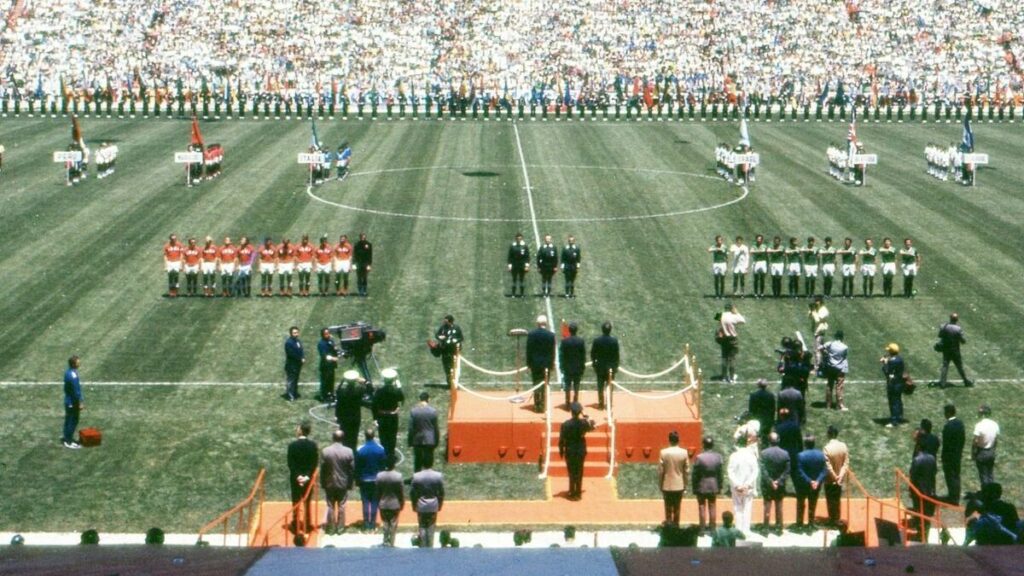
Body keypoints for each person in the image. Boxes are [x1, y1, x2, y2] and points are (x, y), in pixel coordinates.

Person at [319, 429, 354, 535]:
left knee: (330, 505)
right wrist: (350, 483)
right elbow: (352, 469)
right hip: (343, 482)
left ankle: (330, 528)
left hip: (329, 482)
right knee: (342, 505)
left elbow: (323, 470)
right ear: (343, 438)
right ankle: (340, 528)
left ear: (333, 438)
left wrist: (323, 483)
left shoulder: (325, 451)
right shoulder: (348, 451)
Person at [287, 422, 319, 533]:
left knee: (295, 501)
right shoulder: (313, 446)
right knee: (307, 502)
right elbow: (314, 464)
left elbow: (291, 464)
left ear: (300, 430)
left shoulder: (292, 446)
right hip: (307, 479)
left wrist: (298, 476)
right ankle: (308, 524)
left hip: (295, 479)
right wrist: (307, 477)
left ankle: (295, 524)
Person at [559, 402, 595, 501]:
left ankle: (571, 492)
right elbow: (593, 425)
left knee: (571, 472)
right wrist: (586, 416)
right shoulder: (583, 423)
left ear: (571, 412)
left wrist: (561, 451)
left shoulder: (565, 424)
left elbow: (561, 440)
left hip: (570, 450)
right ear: (579, 412)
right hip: (580, 450)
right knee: (579, 471)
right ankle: (578, 493)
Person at [355, 428, 386, 531]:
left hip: (364, 479)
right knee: (374, 502)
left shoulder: (360, 450)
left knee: (365, 502)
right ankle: (372, 524)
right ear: (374, 436)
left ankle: (365, 524)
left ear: (365, 436)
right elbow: (383, 465)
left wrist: (357, 480)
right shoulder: (380, 449)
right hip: (376, 480)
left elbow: (358, 467)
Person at [727, 436, 759, 533]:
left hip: (737, 488)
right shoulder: (752, 456)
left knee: (737, 509)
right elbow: (755, 471)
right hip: (748, 488)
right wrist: (747, 484)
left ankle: (738, 530)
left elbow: (730, 471)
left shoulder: (733, 456)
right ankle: (746, 531)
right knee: (747, 509)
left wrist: (737, 485)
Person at [692, 436, 724, 532]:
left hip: (702, 485)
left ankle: (702, 529)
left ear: (703, 445)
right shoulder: (718, 457)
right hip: (713, 485)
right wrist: (720, 485)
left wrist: (694, 487)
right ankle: (713, 529)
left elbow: (695, 475)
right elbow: (720, 474)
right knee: (712, 506)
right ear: (712, 445)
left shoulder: (699, 457)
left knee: (702, 507)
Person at [410, 459, 445, 547]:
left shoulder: (416, 476)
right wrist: (440, 504)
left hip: (421, 505)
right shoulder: (438, 476)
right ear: (432, 463)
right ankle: (430, 545)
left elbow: (413, 493)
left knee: (422, 526)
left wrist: (414, 505)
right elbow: (441, 492)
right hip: (433, 505)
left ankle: (423, 545)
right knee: (431, 526)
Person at [372, 368, 405, 460]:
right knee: (392, 436)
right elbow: (401, 398)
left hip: (382, 416)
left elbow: (374, 405)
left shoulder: (379, 391)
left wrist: (375, 418)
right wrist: (399, 387)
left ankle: (385, 454)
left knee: (383, 436)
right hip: (393, 416)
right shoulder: (396, 391)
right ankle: (391, 454)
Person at [908, 435, 938, 538]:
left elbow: (913, 475)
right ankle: (926, 533)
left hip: (919, 490)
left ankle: (920, 535)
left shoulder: (917, 459)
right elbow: (934, 472)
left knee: (919, 511)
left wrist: (910, 489)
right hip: (930, 490)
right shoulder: (932, 458)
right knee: (927, 515)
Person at [760, 432, 790, 532]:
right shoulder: (785, 454)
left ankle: (765, 528)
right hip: (780, 485)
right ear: (778, 440)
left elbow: (763, 470)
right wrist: (778, 481)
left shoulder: (764, 453)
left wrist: (770, 482)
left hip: (767, 485)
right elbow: (787, 470)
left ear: (769, 441)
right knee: (779, 506)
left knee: (767, 506)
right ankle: (779, 528)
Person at [795, 436, 827, 530]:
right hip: (816, 485)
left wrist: (809, 481)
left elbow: (800, 471)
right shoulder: (821, 455)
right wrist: (817, 481)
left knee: (801, 504)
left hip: (803, 484)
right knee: (812, 504)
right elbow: (824, 470)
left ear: (805, 444)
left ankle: (800, 524)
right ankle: (811, 524)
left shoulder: (800, 455)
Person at [658, 431, 689, 526]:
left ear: (669, 440)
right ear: (678, 440)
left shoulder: (663, 452)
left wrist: (660, 484)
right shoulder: (684, 452)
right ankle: (676, 526)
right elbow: (686, 471)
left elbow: (660, 471)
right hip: (679, 485)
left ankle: (668, 527)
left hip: (667, 484)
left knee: (668, 508)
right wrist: (685, 484)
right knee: (677, 508)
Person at [527, 314, 556, 412]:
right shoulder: (551, 335)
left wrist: (529, 363)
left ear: (537, 323)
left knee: (535, 383)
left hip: (535, 363)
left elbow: (529, 350)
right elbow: (552, 351)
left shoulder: (531, 334)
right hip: (546, 364)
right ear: (546, 323)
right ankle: (543, 405)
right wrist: (552, 364)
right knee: (545, 384)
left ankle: (537, 405)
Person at [823, 425, 850, 527]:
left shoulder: (827, 448)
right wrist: (840, 476)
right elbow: (846, 463)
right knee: (837, 499)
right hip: (839, 479)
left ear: (828, 434)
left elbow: (828, 466)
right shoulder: (843, 446)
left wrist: (835, 477)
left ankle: (832, 519)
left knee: (830, 499)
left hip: (830, 479)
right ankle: (836, 519)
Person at [937, 313, 973, 388]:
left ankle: (942, 383)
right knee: (959, 366)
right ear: (957, 320)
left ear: (950, 318)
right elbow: (963, 341)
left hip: (946, 349)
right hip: (955, 350)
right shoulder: (958, 329)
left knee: (945, 366)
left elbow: (940, 335)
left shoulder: (944, 326)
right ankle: (965, 381)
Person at [376, 455, 404, 547]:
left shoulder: (379, 476)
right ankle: (391, 542)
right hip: (394, 504)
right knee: (393, 524)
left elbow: (378, 491)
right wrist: (402, 502)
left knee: (385, 523)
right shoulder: (398, 476)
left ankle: (385, 540)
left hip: (383, 503)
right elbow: (400, 492)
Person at [590, 320, 620, 409]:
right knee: (610, 386)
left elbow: (592, 354)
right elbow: (616, 355)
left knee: (600, 387)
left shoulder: (597, 340)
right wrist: (615, 367)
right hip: (610, 368)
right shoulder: (614, 341)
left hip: (600, 367)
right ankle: (609, 404)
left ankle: (601, 404)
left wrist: (595, 364)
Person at [408, 391, 439, 472]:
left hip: (417, 439)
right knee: (429, 460)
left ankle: (417, 478)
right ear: (428, 399)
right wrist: (437, 440)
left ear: (419, 399)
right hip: (429, 439)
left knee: (417, 460)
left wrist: (410, 440)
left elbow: (411, 428)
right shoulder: (433, 411)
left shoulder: (414, 411)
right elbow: (435, 428)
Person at [941, 404, 966, 504]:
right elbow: (963, 439)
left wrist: (944, 456)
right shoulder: (960, 423)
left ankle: (952, 497)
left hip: (949, 456)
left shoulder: (948, 426)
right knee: (956, 475)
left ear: (947, 413)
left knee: (950, 476)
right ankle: (956, 495)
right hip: (957, 455)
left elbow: (946, 443)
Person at [819, 331, 849, 411]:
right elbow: (844, 357)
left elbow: (820, 348)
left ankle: (828, 404)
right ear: (842, 337)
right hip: (840, 369)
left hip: (830, 367)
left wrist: (826, 354)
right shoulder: (844, 347)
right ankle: (839, 405)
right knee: (839, 387)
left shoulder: (830, 343)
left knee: (829, 385)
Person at [716, 302, 745, 383]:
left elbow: (716, 322)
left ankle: (724, 376)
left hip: (723, 339)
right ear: (731, 308)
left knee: (724, 357)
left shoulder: (719, 314)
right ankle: (732, 377)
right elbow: (743, 321)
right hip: (732, 339)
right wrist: (737, 313)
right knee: (732, 359)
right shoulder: (734, 316)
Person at [334, 371, 364, 451]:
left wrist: (343, 381)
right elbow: (368, 389)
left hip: (344, 417)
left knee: (345, 436)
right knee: (354, 436)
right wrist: (362, 382)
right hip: (355, 417)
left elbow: (338, 404)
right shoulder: (358, 391)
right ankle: (352, 451)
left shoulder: (341, 392)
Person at [559, 322, 586, 407]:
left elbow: (561, 355)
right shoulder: (581, 341)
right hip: (577, 367)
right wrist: (582, 367)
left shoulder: (564, 341)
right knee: (576, 385)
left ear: (569, 330)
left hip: (567, 367)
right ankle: (575, 402)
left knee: (567, 385)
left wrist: (561, 366)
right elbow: (583, 356)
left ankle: (567, 403)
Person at [972, 405, 999, 487]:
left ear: (982, 414)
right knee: (990, 473)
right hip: (991, 451)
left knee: (983, 475)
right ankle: (992, 493)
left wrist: (973, 453)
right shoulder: (995, 425)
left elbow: (975, 441)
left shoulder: (979, 426)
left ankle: (985, 494)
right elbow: (996, 439)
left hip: (981, 452)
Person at [434, 315, 463, 387]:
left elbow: (461, 338)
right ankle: (449, 381)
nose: (444, 323)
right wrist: (440, 337)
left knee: (454, 366)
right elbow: (437, 335)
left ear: (450, 321)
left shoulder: (456, 328)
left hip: (454, 351)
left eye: (446, 321)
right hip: (445, 350)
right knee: (446, 366)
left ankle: (454, 381)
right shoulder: (443, 328)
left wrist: (455, 340)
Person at [880, 343, 905, 428]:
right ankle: (899, 416)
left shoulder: (892, 361)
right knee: (898, 400)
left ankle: (894, 421)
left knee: (893, 402)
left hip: (893, 385)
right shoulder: (899, 359)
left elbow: (887, 371)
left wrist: (885, 363)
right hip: (900, 383)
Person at [62, 355, 84, 449]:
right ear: (74, 364)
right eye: (78, 362)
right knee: (73, 421)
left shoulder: (68, 372)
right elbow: (76, 391)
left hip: (68, 401)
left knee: (68, 420)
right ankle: (68, 441)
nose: (80, 363)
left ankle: (66, 437)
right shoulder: (73, 376)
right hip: (72, 402)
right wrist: (80, 402)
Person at [748, 379, 776, 446]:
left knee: (757, 432)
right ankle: (765, 444)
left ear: (758, 386)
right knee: (766, 433)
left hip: (757, 417)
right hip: (767, 417)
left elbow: (751, 408)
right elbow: (773, 408)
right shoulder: (770, 395)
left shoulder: (753, 395)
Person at [316, 328, 339, 403]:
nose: (328, 335)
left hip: (331, 366)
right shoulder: (321, 344)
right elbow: (324, 356)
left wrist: (336, 350)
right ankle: (324, 396)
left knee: (331, 380)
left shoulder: (330, 341)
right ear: (322, 335)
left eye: (328, 333)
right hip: (325, 366)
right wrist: (333, 358)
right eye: (326, 334)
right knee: (325, 381)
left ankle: (330, 394)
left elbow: (334, 349)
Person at [283, 326, 305, 401]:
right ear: (291, 333)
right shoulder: (289, 343)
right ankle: (290, 395)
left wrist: (303, 357)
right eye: (294, 333)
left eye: (297, 332)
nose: (296, 334)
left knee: (296, 379)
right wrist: (300, 358)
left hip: (297, 364)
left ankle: (294, 392)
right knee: (291, 380)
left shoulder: (298, 341)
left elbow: (301, 350)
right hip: (291, 365)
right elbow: (291, 354)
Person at [506, 232, 530, 298]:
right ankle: (513, 293)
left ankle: (522, 294)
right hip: (514, 265)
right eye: (518, 238)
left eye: (520, 238)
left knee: (522, 279)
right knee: (514, 279)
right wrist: (509, 266)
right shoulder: (512, 246)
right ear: (516, 239)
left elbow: (527, 257)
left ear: (522, 239)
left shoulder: (524, 246)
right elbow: (509, 257)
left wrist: (527, 266)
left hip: (522, 265)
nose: (519, 240)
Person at [352, 232, 372, 297]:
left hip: (365, 263)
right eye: (362, 237)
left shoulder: (368, 244)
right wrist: (354, 264)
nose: (363, 239)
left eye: (364, 237)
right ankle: (360, 290)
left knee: (365, 277)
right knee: (359, 277)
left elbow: (370, 255)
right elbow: (354, 255)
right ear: (360, 238)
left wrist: (369, 264)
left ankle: (365, 290)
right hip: (358, 263)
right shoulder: (356, 244)